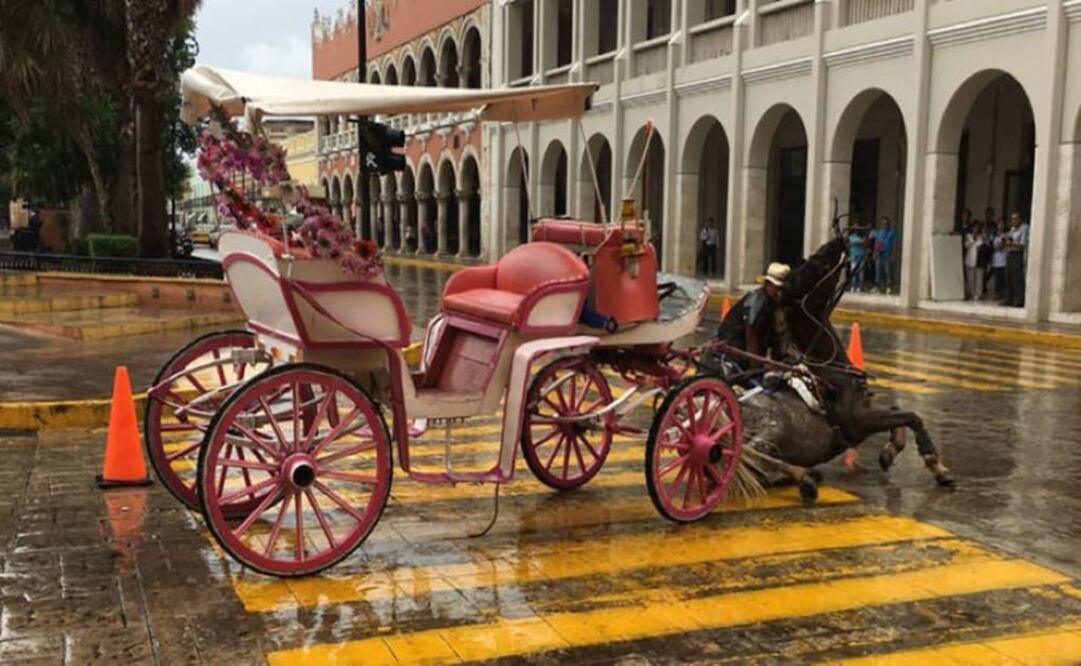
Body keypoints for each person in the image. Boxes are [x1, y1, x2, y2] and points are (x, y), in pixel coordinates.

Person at [715, 262, 793, 371]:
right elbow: (751, 336)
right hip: (735, 350)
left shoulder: (775, 304)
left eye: (782, 289)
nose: (779, 293)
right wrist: (755, 367)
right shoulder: (758, 301)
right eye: (776, 288)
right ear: (767, 284)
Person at [1002, 212, 1029, 307]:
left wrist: (1012, 243)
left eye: (1015, 219)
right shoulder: (1012, 229)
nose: (1013, 221)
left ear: (1019, 219)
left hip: (1018, 254)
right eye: (1012, 219)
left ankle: (1019, 299)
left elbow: (1022, 244)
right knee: (1008, 275)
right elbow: (1009, 240)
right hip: (1010, 253)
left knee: (1017, 277)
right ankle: (1009, 298)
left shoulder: (1024, 228)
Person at [870, 217, 896, 294]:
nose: (884, 225)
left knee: (887, 271)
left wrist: (893, 254)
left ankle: (888, 287)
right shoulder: (878, 232)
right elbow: (876, 243)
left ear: (888, 224)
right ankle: (877, 287)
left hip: (887, 255)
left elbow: (894, 244)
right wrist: (874, 253)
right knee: (878, 271)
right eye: (883, 223)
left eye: (886, 223)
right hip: (879, 254)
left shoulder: (892, 233)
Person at [963, 221, 985, 300]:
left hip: (979, 260)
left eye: (977, 227)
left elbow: (980, 246)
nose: (975, 229)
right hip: (970, 259)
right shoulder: (968, 236)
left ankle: (978, 293)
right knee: (970, 277)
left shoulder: (981, 236)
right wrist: (972, 240)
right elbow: (966, 245)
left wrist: (976, 240)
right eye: (974, 227)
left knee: (978, 277)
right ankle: (970, 293)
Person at [989, 219, 1009, 299]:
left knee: (1003, 279)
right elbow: (990, 246)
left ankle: (1004, 294)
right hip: (995, 260)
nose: (1001, 226)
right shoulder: (993, 235)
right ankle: (996, 294)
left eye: (1002, 224)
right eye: (999, 224)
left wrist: (1000, 246)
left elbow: (1004, 245)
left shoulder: (1007, 235)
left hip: (1004, 260)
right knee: (996, 279)